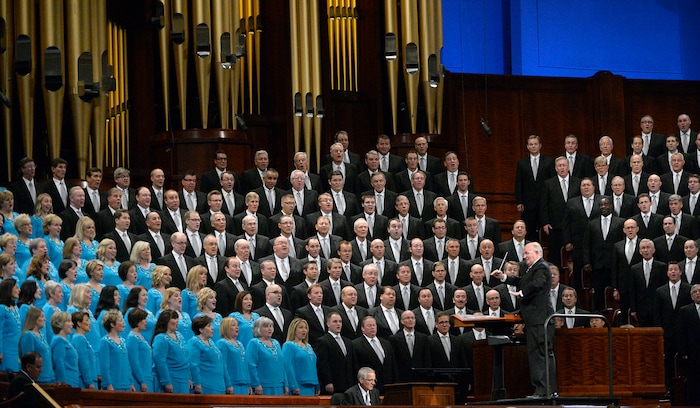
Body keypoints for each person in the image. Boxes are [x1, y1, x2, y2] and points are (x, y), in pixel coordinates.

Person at [491, 242, 557, 398]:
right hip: (536, 319)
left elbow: (537, 284)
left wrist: (521, 293)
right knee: (540, 354)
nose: (524, 256)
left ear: (537, 252)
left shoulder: (541, 267)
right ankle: (547, 390)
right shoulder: (533, 268)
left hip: (540, 319)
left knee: (539, 354)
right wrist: (504, 277)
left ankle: (543, 391)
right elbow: (522, 281)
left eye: (527, 253)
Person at [188, 315, 231, 394]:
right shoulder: (195, 342)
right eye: (209, 326)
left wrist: (228, 384)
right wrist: (197, 382)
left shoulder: (211, 342)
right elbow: (194, 364)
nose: (212, 328)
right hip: (206, 386)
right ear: (201, 329)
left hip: (219, 385)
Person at [314, 311, 354, 395]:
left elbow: (352, 363)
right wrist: (328, 381)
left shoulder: (348, 342)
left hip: (348, 384)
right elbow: (322, 364)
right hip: (333, 385)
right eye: (335, 321)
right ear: (328, 324)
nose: (338, 324)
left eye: (340, 321)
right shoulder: (322, 341)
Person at [246, 316, 288, 395]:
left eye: (271, 326)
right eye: (266, 326)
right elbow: (251, 365)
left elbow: (282, 365)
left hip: (279, 385)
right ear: (258, 329)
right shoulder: (254, 343)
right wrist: (256, 384)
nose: (270, 329)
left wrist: (286, 384)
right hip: (263, 386)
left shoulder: (276, 343)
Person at [152, 309, 191, 393]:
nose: (177, 321)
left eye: (177, 318)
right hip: (172, 378)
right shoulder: (160, 338)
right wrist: (166, 382)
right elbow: (160, 361)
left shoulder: (179, 335)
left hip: (184, 379)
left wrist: (189, 377)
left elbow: (186, 357)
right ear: (166, 321)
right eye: (174, 318)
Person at [99, 309, 135, 391]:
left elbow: (127, 363)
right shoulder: (105, 341)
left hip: (126, 385)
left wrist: (131, 382)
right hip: (114, 385)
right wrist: (108, 384)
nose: (123, 323)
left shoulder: (123, 340)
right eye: (120, 320)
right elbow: (105, 366)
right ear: (112, 324)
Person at [282, 318, 320, 396]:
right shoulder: (288, 345)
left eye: (306, 328)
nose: (304, 330)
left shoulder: (308, 346)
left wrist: (317, 385)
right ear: (294, 329)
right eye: (301, 327)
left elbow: (313, 366)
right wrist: (293, 386)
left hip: (311, 385)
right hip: (298, 386)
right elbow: (288, 367)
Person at [19, 307, 55, 383]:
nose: (44, 319)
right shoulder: (28, 335)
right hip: (39, 379)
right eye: (42, 316)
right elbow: (28, 360)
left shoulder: (41, 334)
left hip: (50, 377)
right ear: (34, 318)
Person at [217, 317, 252, 395]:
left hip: (244, 384)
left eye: (237, 325)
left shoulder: (240, 344)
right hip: (233, 383)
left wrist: (249, 383)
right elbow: (223, 365)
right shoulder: (222, 343)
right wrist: (228, 384)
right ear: (226, 328)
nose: (237, 327)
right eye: (233, 325)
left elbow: (246, 365)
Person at [50, 311, 79, 387]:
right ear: (61, 324)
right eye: (69, 321)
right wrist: (63, 383)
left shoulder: (65, 340)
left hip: (73, 381)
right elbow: (59, 363)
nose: (72, 324)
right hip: (67, 382)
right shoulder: (59, 341)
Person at [70, 311, 97, 389]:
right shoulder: (79, 339)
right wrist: (89, 381)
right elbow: (83, 361)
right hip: (86, 381)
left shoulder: (81, 338)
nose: (89, 323)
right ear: (79, 323)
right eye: (86, 321)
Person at [0, 278, 21, 372]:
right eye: (16, 287)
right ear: (8, 290)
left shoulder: (16, 307)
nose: (19, 290)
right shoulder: (2, 309)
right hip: (6, 351)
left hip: (16, 350)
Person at [41, 281, 64, 345]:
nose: (62, 294)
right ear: (51, 294)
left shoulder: (57, 309)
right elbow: (48, 331)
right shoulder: (48, 309)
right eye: (59, 292)